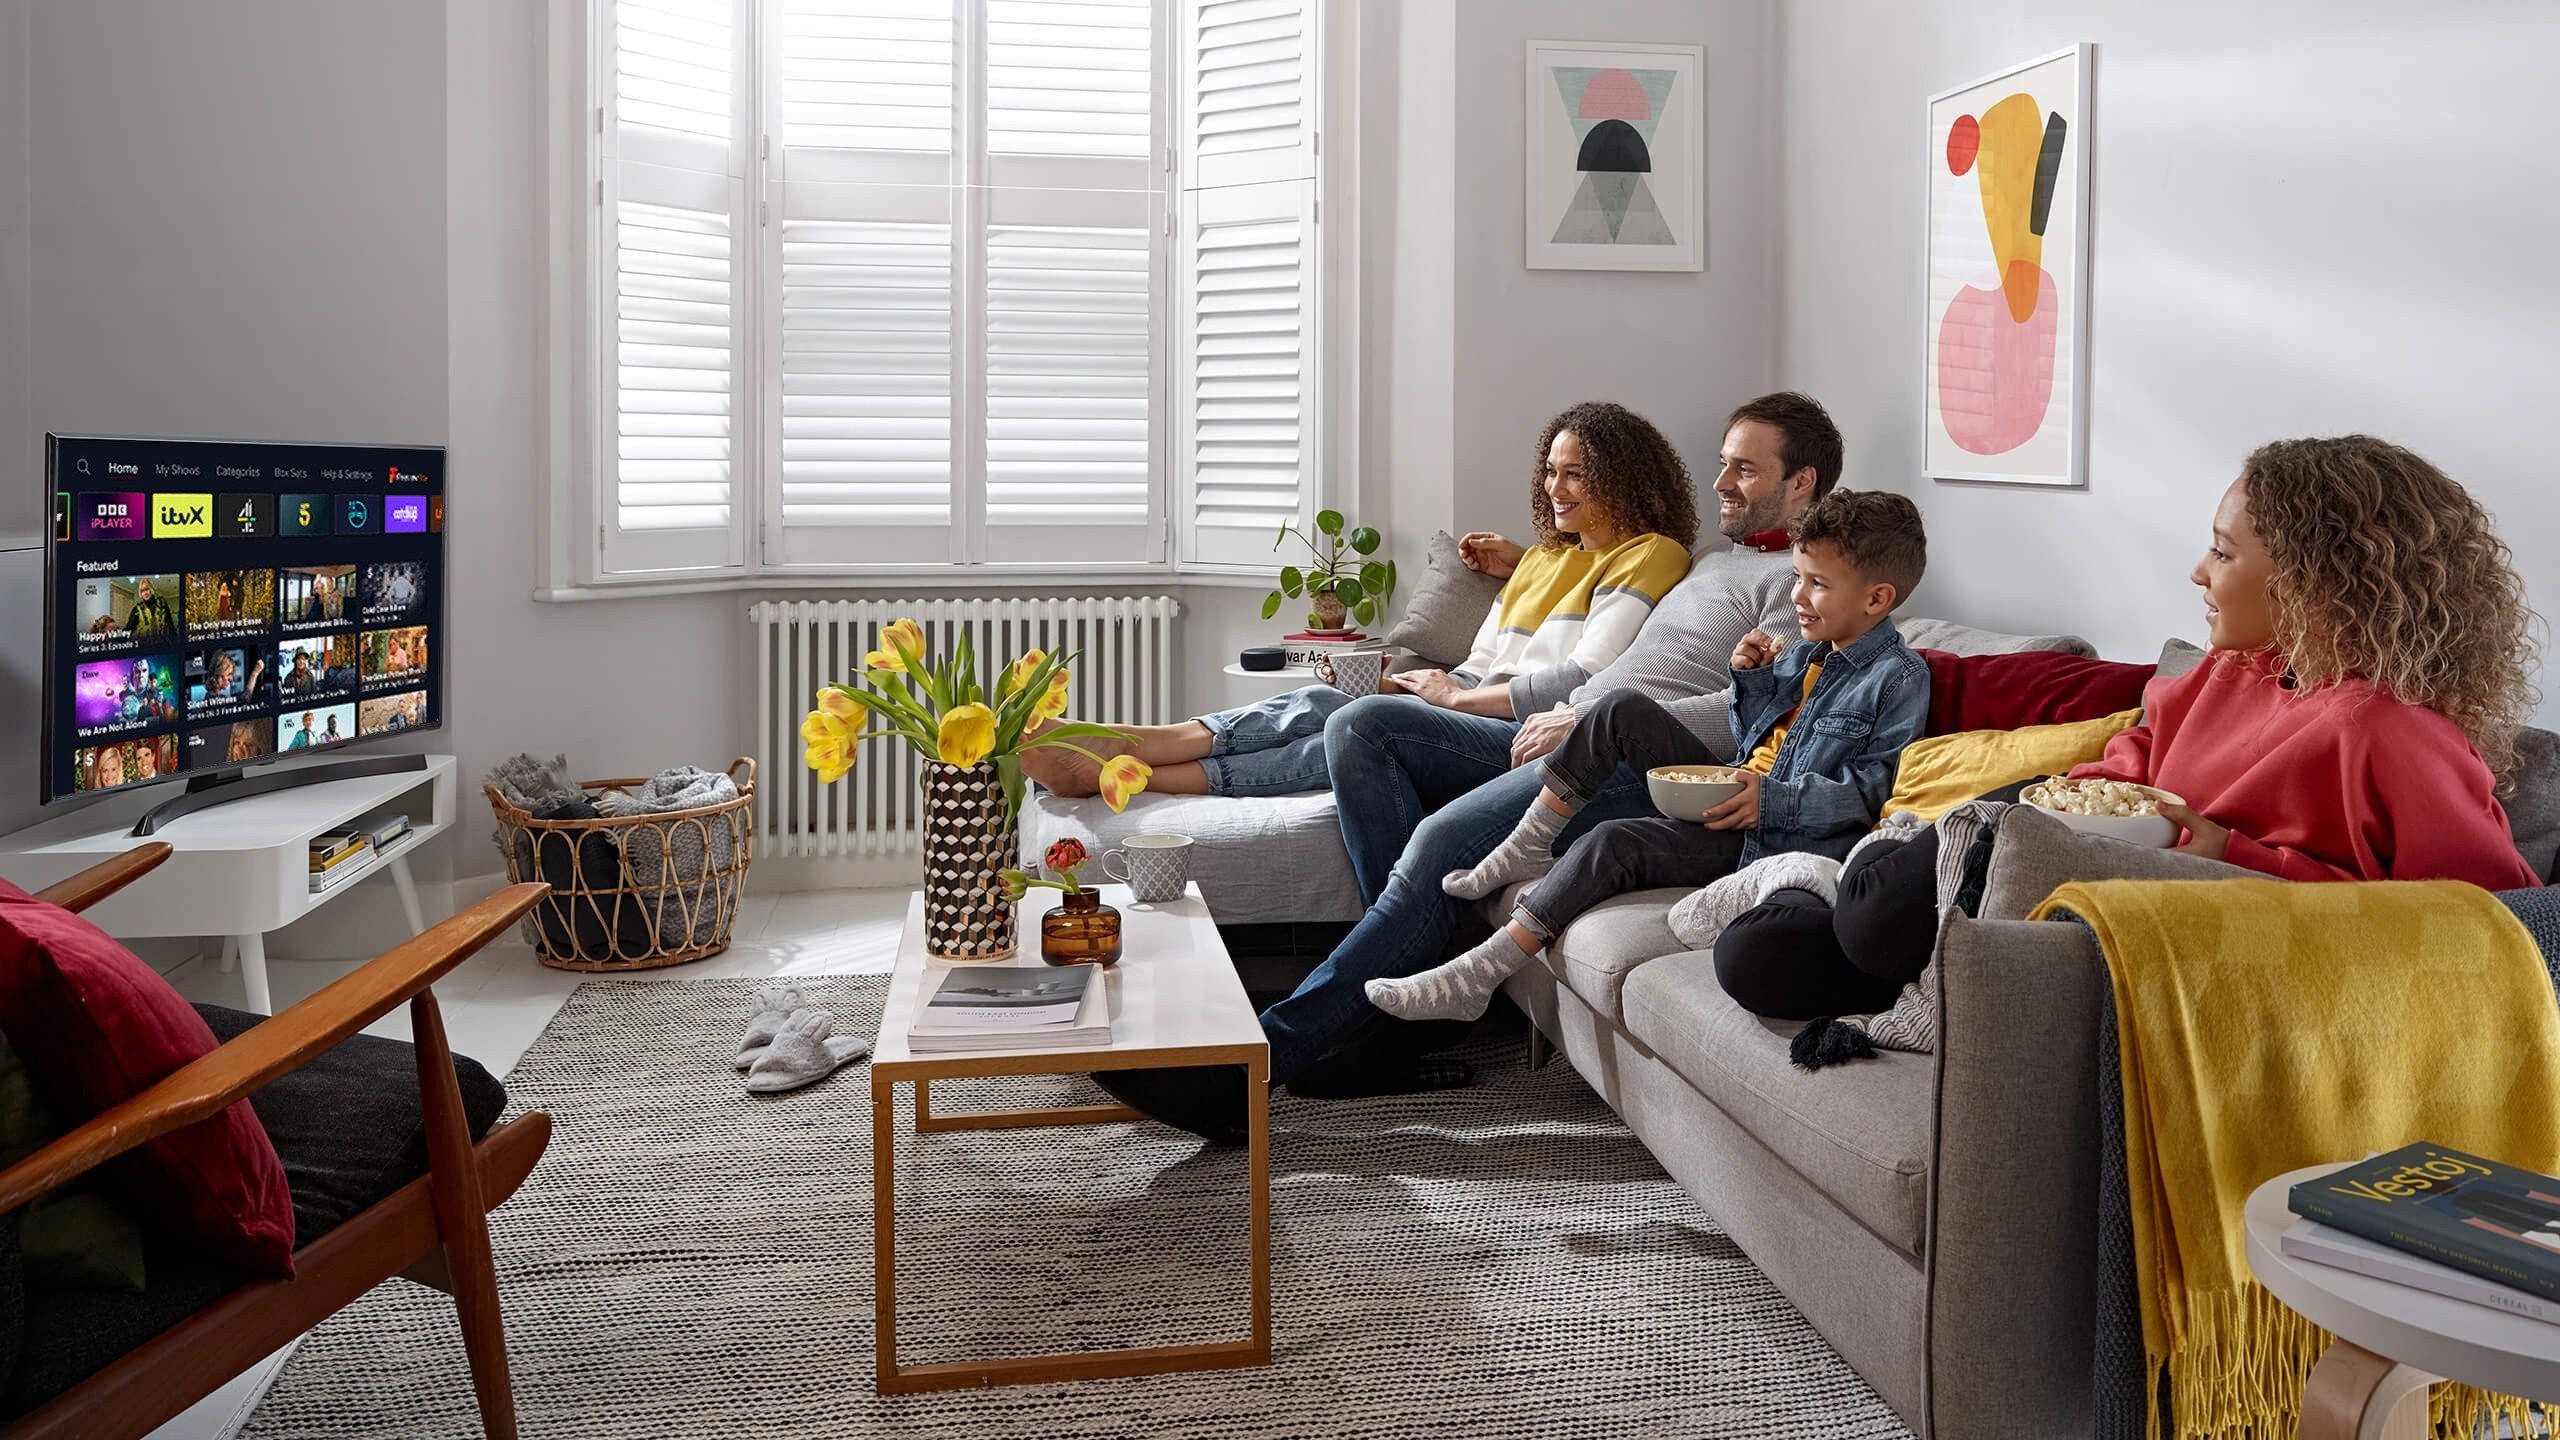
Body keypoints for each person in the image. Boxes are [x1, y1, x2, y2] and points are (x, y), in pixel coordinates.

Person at [1094, 392, 1842, 1139]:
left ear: (1801, 482)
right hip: (1577, 737)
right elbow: (1609, 608)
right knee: (1363, 723)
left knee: (1437, 844)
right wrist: (1531, 578)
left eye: (1744, 469)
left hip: (1632, 763)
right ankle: (1401, 1012)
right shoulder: (1719, 561)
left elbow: (1767, 715)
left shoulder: (1799, 584)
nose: (1721, 483)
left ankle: (1253, 1067)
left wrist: (1587, 717)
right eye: (1721, 464)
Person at [1714, 434, 2543, 1025]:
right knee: (1760, 955)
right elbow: (2136, 752)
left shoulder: (2391, 731)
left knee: (1870, 907)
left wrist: (2234, 854)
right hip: (2082, 844)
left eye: (2222, 552)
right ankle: (1895, 940)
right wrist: (2090, 792)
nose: (2198, 571)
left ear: (2312, 581)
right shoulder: (2229, 669)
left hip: (2160, 914)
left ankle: (1886, 925)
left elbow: (2494, 921)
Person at [1367, 490, 1930, 1021]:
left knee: (1612, 842)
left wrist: (1774, 801)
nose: (1797, 596)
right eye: (1800, 578)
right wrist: (1750, 681)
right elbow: (1750, 737)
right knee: (1618, 709)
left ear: (1877, 598)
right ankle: (1528, 844)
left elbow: (1874, 790)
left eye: (1817, 584)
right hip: (1732, 791)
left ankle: (1478, 976)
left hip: (1767, 837)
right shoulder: (1806, 650)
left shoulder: (1898, 678)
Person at [1025, 402, 1699, 798]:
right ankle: (1119, 764)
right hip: (1468, 709)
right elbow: (1484, 661)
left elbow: (1582, 677)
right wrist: (1404, 683)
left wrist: (1454, 700)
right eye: (1551, 471)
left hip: (1516, 736)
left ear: (1621, 478)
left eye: (1576, 474)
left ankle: (1125, 756)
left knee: (1343, 719)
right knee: (1337, 702)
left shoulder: (1652, 554)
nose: (1557, 488)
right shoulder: (1541, 560)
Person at [126, 575, 177, 644]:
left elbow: (171, 625)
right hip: (145, 647)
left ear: (151, 589)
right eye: (142, 591)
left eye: (147, 589)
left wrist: (175, 644)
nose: (145, 593)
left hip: (163, 644)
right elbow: (128, 629)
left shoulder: (162, 603)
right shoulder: (137, 609)